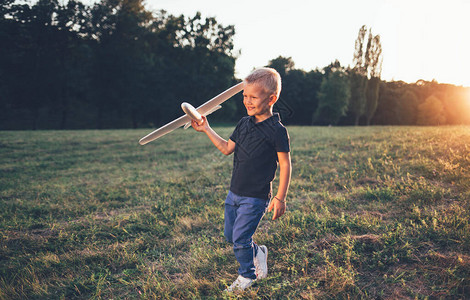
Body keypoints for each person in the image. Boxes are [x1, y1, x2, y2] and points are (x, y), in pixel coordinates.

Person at [191, 67, 292, 292]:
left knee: (240, 238)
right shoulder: (243, 123)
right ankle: (258, 252)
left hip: (255, 197)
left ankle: (247, 275)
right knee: (231, 235)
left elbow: (285, 165)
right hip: (234, 192)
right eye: (244, 96)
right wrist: (206, 128)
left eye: (253, 97)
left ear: (271, 98)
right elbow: (227, 148)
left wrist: (280, 198)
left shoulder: (277, 130)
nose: (246, 101)